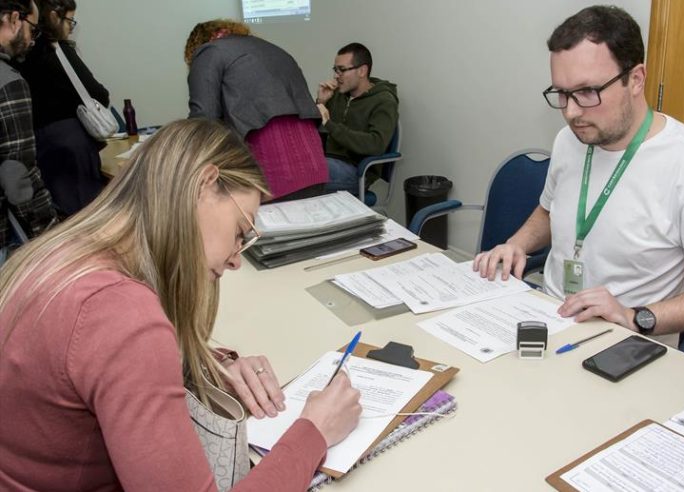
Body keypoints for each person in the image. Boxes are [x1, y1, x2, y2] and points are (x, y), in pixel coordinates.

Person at [0, 118, 362, 490]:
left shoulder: (58, 257)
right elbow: (118, 344)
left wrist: (204, 367)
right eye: (241, 232)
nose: (237, 259)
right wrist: (314, 431)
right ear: (205, 184)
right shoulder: (121, 316)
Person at [474, 5, 684, 347]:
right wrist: (516, 244)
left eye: (587, 92)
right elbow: (549, 210)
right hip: (548, 321)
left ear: (635, 79)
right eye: (561, 93)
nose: (572, 112)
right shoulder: (570, 140)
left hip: (624, 345)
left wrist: (634, 316)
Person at [185, 19, 327, 202]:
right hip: (316, 170)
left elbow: (203, 121)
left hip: (271, 175)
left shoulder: (209, 51)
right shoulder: (275, 50)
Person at [16, 0, 109, 217]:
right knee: (85, 217)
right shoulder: (55, 49)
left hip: (36, 148)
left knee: (61, 218)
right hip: (69, 148)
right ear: (55, 16)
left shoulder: (19, 54)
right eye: (70, 21)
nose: (70, 28)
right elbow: (97, 93)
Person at [0, 0, 57, 267]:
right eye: (32, 29)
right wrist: (50, 235)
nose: (33, 41)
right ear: (13, 19)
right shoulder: (9, 82)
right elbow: (18, 175)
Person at [315, 42, 399, 195]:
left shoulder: (384, 101)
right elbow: (314, 134)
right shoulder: (337, 95)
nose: (336, 76)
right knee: (289, 165)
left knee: (300, 174)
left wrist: (330, 124)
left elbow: (376, 144)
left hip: (357, 172)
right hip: (328, 162)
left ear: (362, 71)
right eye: (335, 70)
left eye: (342, 70)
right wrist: (321, 102)